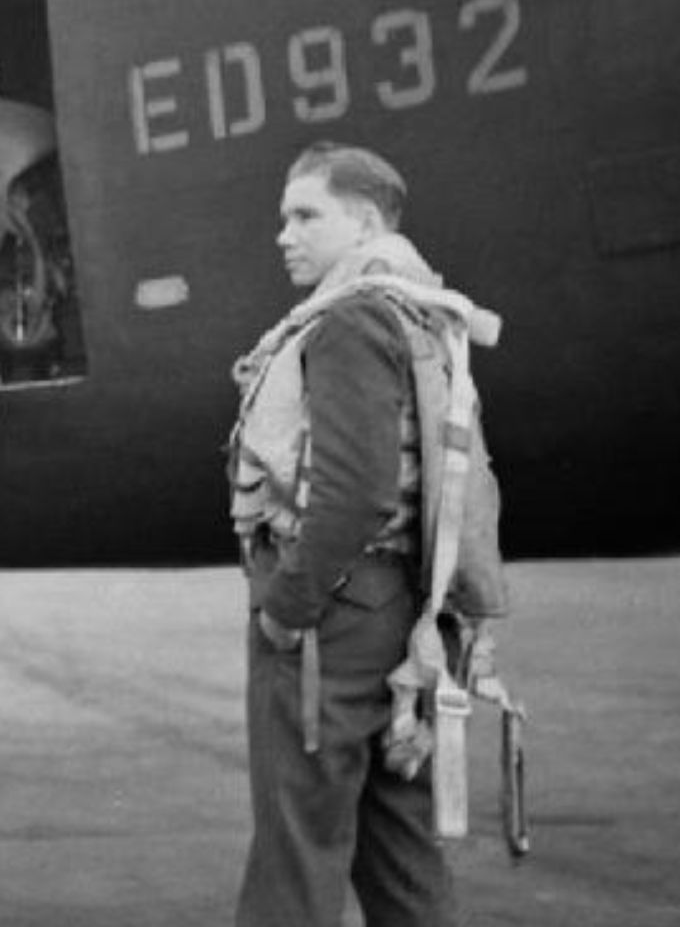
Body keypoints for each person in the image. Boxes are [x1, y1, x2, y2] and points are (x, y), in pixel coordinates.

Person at [227, 144, 466, 926]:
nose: (283, 236)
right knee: (400, 856)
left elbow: (355, 493)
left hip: (330, 622)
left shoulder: (351, 319)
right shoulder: (418, 308)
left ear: (362, 222)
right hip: (397, 606)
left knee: (296, 855)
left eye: (306, 216)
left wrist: (286, 607)